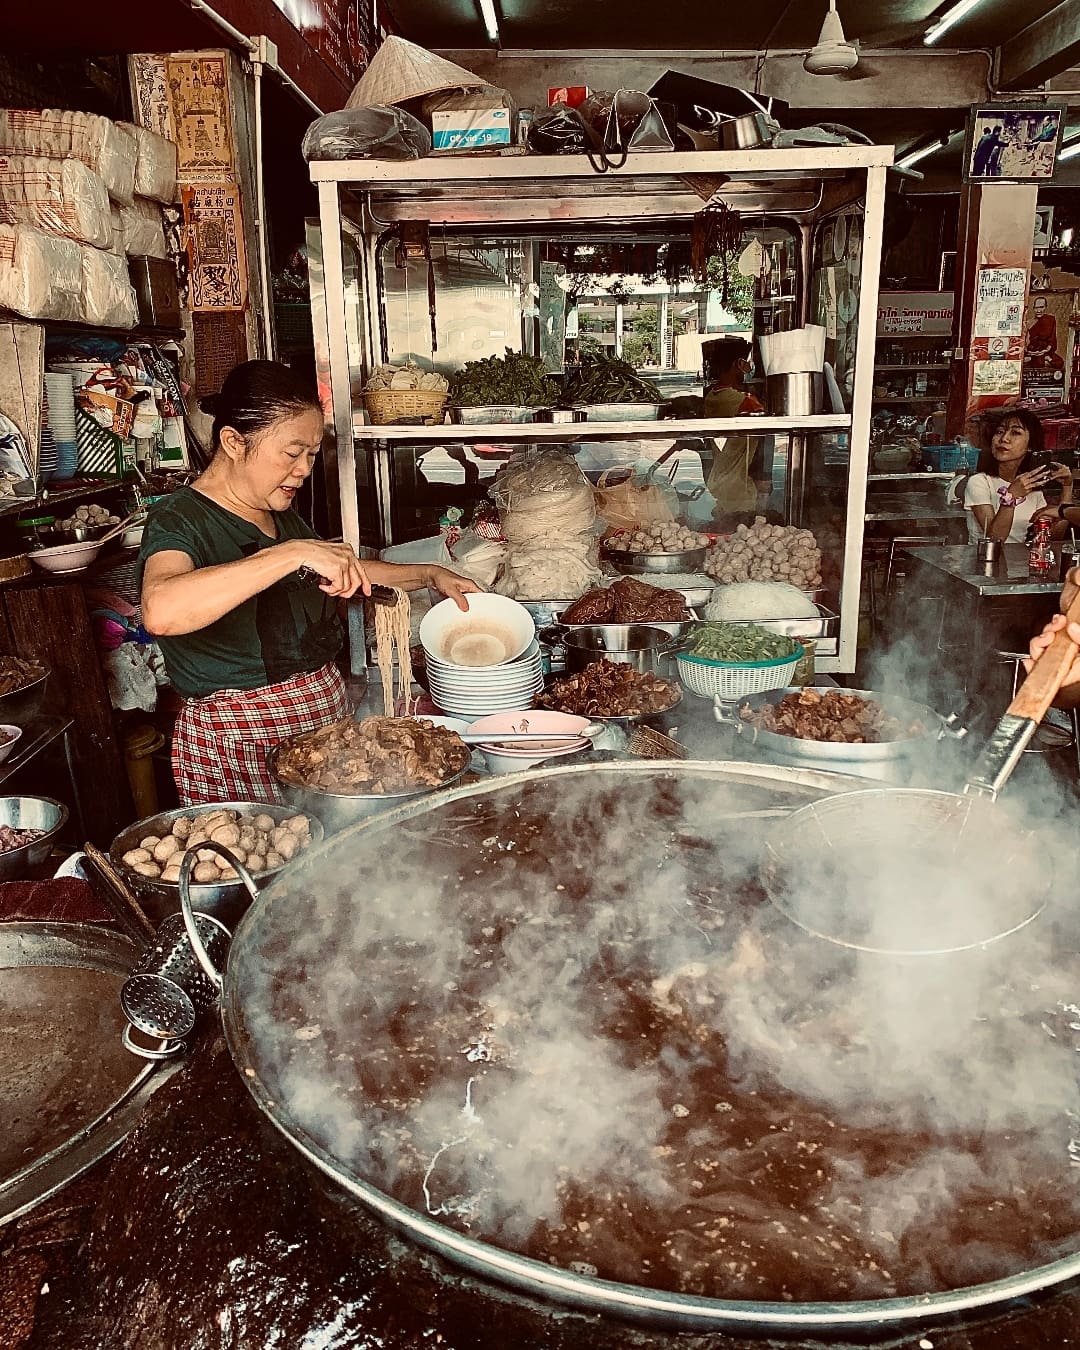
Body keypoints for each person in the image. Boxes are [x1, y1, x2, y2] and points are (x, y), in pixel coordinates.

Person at [140, 360, 480, 805]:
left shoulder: (281, 514)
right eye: (292, 452)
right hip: (239, 741)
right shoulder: (181, 519)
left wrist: (428, 574)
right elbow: (161, 611)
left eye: (312, 454)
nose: (303, 469)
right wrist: (290, 553)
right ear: (233, 442)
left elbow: (337, 566)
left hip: (322, 722)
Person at [962, 408, 1072, 543]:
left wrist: (1067, 487)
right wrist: (1010, 497)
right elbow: (994, 540)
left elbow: (1053, 535)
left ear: (1030, 446)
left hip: (1020, 561)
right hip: (984, 561)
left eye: (1015, 433)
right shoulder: (979, 482)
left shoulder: (1031, 487)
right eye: (999, 432)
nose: (1004, 439)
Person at [701, 337, 769, 524]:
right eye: (747, 363)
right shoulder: (744, 401)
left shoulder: (711, 396)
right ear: (739, 364)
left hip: (720, 480)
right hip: (739, 492)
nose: (749, 368)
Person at [1025, 296, 1065, 371]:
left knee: (1059, 363)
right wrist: (1031, 352)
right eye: (1036, 308)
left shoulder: (1051, 320)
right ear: (1033, 308)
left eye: (1041, 307)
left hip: (1046, 351)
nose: (1038, 310)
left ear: (1045, 307)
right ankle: (1041, 360)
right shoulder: (1029, 323)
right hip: (1033, 351)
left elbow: (1052, 339)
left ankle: (1044, 359)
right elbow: (1025, 341)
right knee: (1029, 362)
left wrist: (1045, 350)